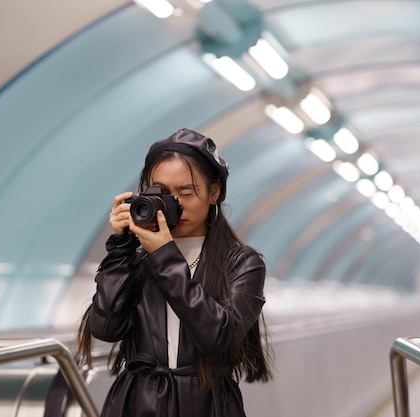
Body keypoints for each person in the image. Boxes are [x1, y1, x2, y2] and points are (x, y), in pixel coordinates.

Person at [76, 128, 273, 417]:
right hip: (135, 404)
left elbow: (218, 334)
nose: (175, 204)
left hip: (208, 405)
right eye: (162, 192)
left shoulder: (243, 263)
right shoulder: (138, 259)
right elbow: (106, 328)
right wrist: (120, 249)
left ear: (214, 192)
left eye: (186, 192)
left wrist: (164, 255)